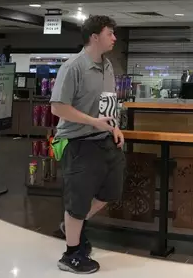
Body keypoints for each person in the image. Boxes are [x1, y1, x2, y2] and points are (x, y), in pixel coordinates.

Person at [50, 15, 125, 274]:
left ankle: (71, 226)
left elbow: (107, 103)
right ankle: (70, 255)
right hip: (77, 143)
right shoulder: (73, 67)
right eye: (110, 33)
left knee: (110, 193)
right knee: (78, 200)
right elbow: (58, 108)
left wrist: (114, 127)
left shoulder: (108, 66)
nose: (114, 38)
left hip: (104, 140)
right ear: (95, 37)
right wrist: (93, 122)